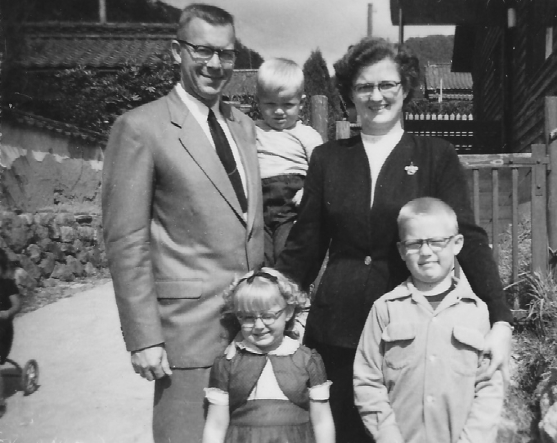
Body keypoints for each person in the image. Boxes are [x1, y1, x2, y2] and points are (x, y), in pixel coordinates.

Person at [276, 36, 513, 443]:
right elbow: (304, 247)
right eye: (364, 86)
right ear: (350, 93)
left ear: (405, 88)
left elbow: (468, 238)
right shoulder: (328, 159)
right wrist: (270, 305)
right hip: (338, 330)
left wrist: (501, 319)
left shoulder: (436, 155)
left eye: (387, 84)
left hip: (414, 332)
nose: (377, 96)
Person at [101, 4, 264, 442]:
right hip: (187, 334)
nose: (215, 64)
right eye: (202, 50)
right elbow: (126, 239)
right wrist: (144, 337)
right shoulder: (140, 128)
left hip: (252, 331)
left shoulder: (243, 125)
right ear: (176, 52)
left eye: (226, 54)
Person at [354, 197, 505, 443]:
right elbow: (367, 379)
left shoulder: (477, 312)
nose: (426, 252)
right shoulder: (385, 310)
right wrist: (387, 436)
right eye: (415, 243)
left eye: (436, 241)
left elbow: (489, 388)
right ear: (402, 250)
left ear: (456, 244)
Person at [202, 268, 335, 443]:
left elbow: (321, 421)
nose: (258, 325)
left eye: (268, 316)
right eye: (248, 317)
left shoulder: (307, 360)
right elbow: (216, 425)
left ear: (288, 312)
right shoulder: (228, 363)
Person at [254, 58, 324, 266]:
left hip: (291, 202)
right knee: (259, 256)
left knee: (288, 252)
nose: (278, 111)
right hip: (259, 203)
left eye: (287, 105)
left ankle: (289, 294)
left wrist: (308, 192)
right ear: (259, 101)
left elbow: (322, 171)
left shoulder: (307, 135)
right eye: (270, 104)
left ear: (301, 103)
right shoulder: (252, 129)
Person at [0, 249, 21, 416]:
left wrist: (8, 313)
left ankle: (0, 401)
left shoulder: (7, 285)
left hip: (3, 331)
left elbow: (16, 305)